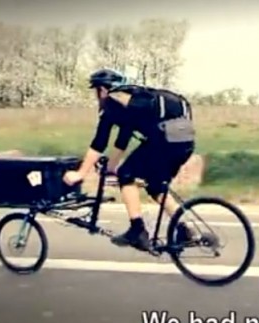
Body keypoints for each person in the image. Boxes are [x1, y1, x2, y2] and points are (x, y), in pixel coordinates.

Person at [62, 68, 209, 251]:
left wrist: (80, 173)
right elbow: (124, 136)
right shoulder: (135, 100)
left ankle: (137, 230)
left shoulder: (112, 102)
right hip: (185, 142)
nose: (97, 96)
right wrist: (112, 165)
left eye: (96, 91)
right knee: (155, 185)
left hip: (165, 142)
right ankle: (185, 229)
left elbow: (100, 142)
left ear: (103, 89)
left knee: (127, 174)